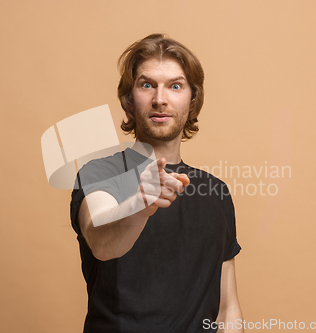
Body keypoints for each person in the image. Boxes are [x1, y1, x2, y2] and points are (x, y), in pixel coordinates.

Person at [70, 33, 243, 333]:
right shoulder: (100, 173)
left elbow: (228, 310)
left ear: (192, 100)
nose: (160, 98)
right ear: (129, 99)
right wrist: (139, 207)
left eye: (175, 86)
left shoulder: (216, 192)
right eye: (147, 84)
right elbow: (100, 241)